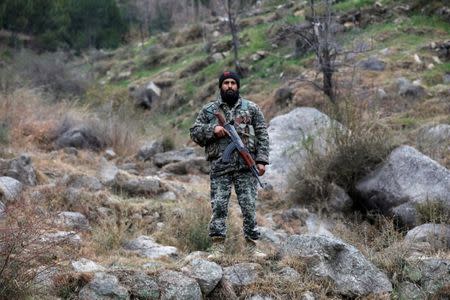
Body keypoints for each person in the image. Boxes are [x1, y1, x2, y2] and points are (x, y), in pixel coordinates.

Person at [190, 71, 269, 259]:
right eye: (226, 83)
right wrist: (213, 129)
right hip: (220, 166)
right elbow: (194, 132)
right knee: (218, 206)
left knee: (249, 206)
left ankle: (251, 248)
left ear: (238, 86)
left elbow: (262, 134)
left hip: (245, 167)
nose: (230, 86)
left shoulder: (251, 108)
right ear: (221, 86)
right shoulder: (210, 110)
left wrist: (261, 160)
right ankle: (217, 248)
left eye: (233, 82)